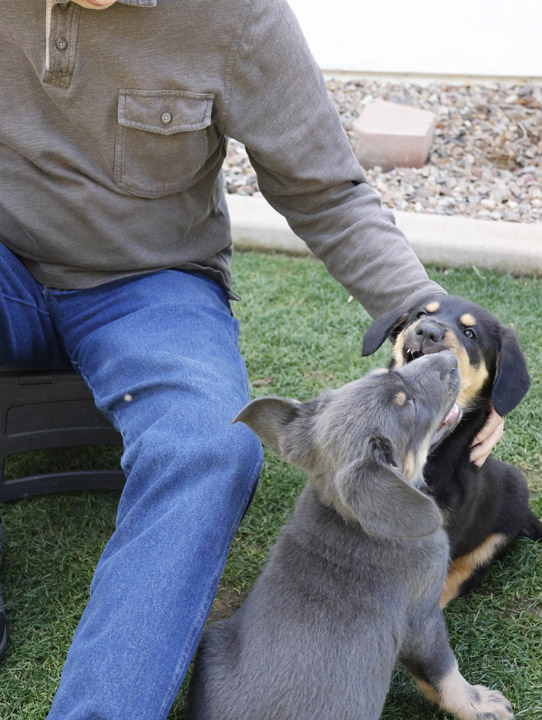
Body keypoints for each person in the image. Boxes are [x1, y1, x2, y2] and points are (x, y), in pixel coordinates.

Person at [0, 0, 503, 716]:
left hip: (150, 284)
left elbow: (326, 190)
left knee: (213, 447)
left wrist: (436, 327)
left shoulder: (238, 14)